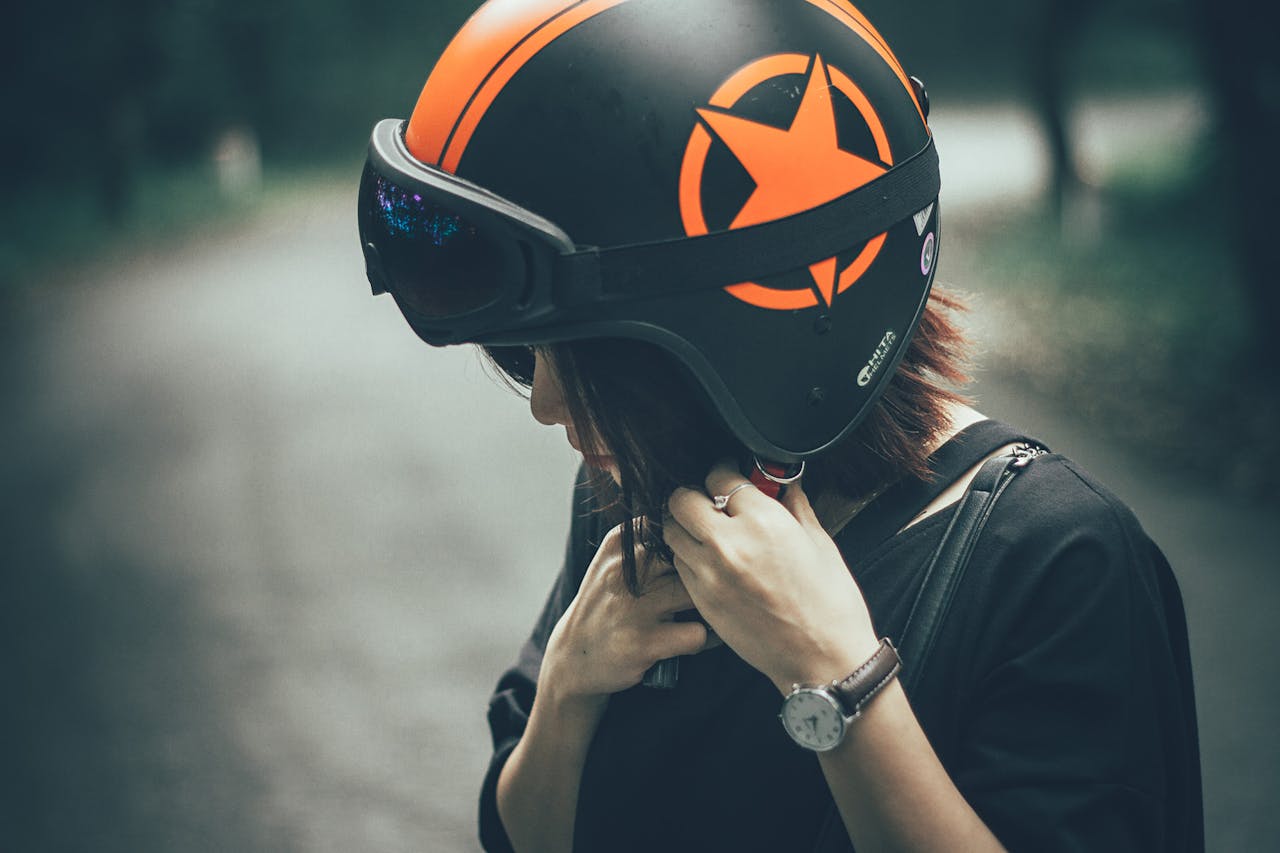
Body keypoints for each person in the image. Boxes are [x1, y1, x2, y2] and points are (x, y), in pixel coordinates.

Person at [356, 1, 1203, 850]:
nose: (545, 404)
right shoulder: (639, 490)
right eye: (524, 354)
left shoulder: (1054, 559)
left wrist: (833, 671)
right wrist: (567, 688)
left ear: (758, 342)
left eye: (582, 363)